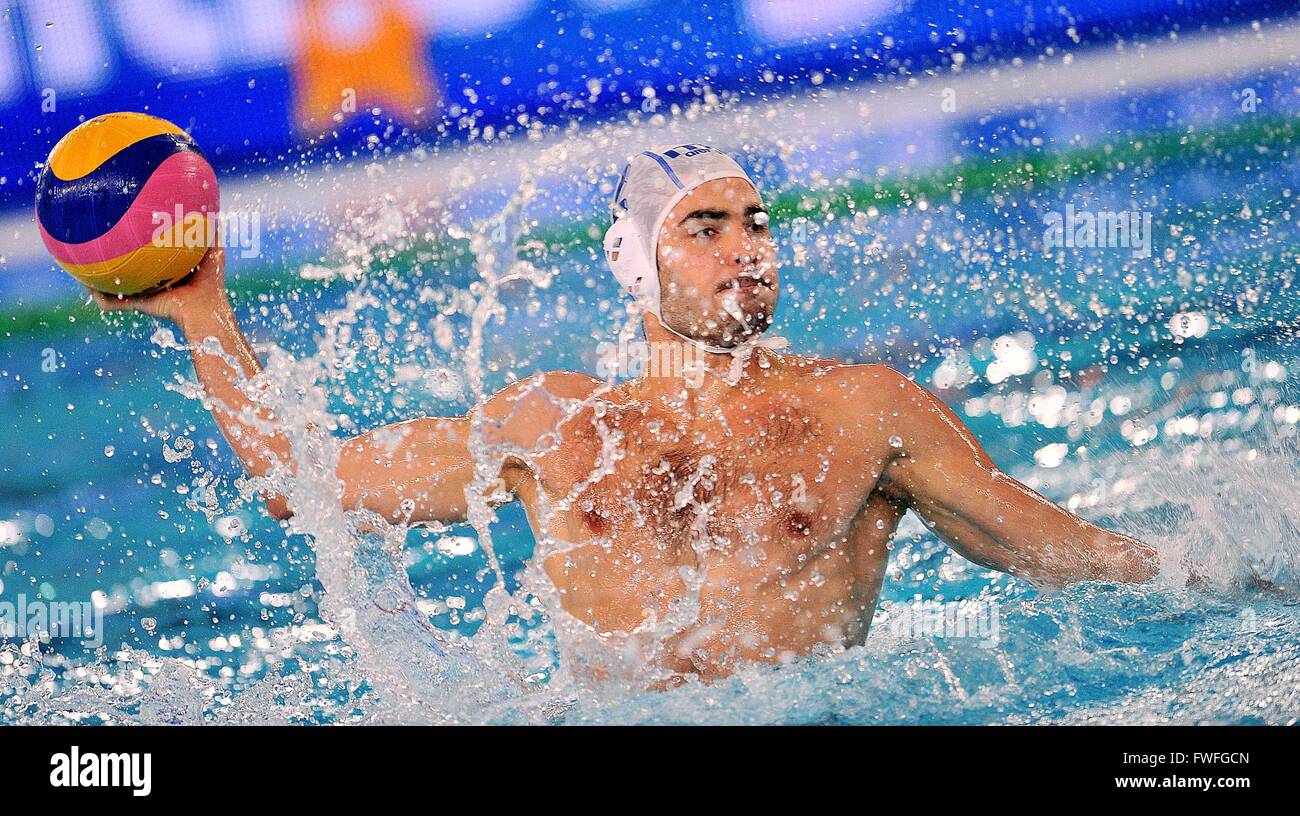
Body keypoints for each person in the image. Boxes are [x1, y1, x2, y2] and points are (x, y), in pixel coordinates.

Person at [87, 144, 1156, 685]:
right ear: (636, 269)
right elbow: (296, 486)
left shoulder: (864, 408)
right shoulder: (552, 426)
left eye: (755, 221)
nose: (746, 246)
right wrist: (204, 314)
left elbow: (1054, 549)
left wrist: (1218, 566)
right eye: (705, 227)